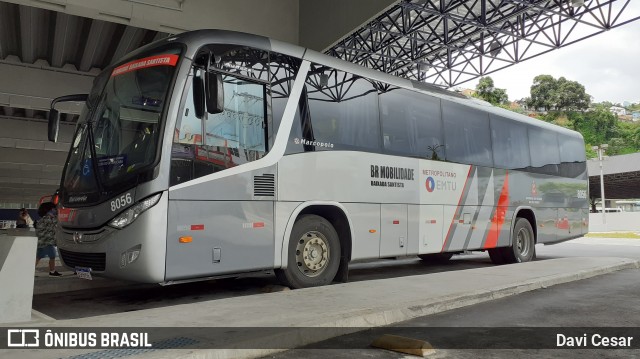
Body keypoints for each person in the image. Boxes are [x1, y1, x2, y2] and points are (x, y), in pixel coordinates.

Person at [35, 202, 62, 277]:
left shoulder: (44, 218)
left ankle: (29, 271)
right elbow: (57, 223)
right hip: (46, 241)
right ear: (49, 210)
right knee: (52, 255)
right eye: (54, 209)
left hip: (41, 241)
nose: (55, 210)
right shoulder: (48, 218)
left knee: (39, 256)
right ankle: (52, 271)